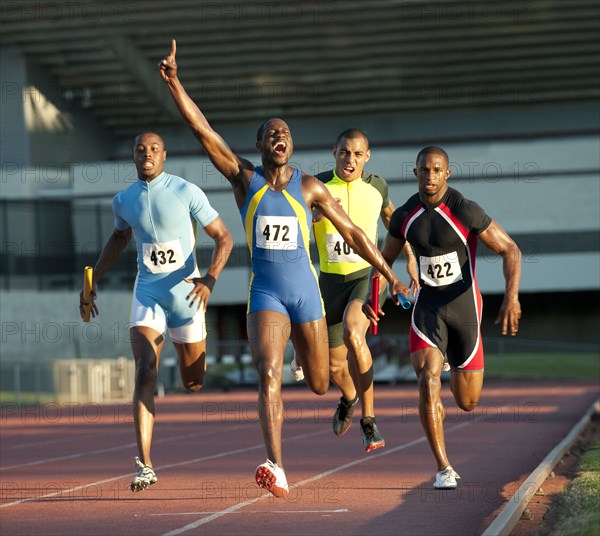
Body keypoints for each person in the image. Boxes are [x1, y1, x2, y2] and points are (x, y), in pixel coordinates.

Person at [159, 40, 410, 498]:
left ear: (292, 145)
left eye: (286, 133)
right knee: (269, 373)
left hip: (306, 295)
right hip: (266, 296)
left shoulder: (310, 187)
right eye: (271, 132)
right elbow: (203, 131)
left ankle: (343, 392)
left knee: (318, 383)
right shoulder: (245, 178)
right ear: (260, 145)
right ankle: (276, 464)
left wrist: (389, 273)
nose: (280, 136)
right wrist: (176, 83)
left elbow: (354, 233)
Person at [79, 131, 233, 493]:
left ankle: (187, 359)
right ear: (133, 156)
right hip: (148, 292)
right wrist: (93, 280)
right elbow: (119, 239)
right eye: (140, 149)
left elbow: (223, 237)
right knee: (145, 370)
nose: (146, 154)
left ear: (164, 156)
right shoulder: (123, 201)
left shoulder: (186, 191)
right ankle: (144, 464)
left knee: (193, 381)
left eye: (153, 149)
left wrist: (210, 279)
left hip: (189, 296)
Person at [363, 145, 521, 489]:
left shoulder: (464, 210)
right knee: (427, 381)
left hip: (465, 307)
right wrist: (376, 294)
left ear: (446, 173)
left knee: (467, 402)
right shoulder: (405, 215)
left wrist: (511, 297)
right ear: (416, 173)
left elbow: (510, 249)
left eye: (437, 170)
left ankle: (447, 376)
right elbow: (382, 260)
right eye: (424, 170)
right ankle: (443, 467)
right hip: (428, 308)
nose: (430, 176)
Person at [290, 128, 419, 452]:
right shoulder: (315, 184)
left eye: (358, 154)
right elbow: (294, 220)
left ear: (367, 156)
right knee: (334, 366)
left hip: (366, 276)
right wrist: (316, 215)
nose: (350, 159)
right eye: (345, 152)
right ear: (335, 151)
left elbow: (396, 225)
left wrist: (410, 260)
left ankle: (369, 420)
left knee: (353, 332)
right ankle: (348, 397)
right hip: (329, 281)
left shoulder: (377, 186)